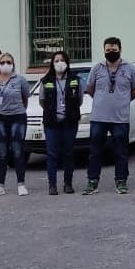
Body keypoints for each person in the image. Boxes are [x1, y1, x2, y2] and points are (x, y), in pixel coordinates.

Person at [83, 37, 135, 195]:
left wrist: (123, 100)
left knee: (121, 152)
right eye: (108, 50)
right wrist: (103, 100)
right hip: (98, 118)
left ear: (120, 50)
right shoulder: (97, 68)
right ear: (104, 50)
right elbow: (89, 89)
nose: (111, 52)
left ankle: (121, 181)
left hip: (120, 118)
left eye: (114, 50)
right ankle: (92, 182)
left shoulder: (129, 68)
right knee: (95, 152)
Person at [0, 53, 30, 197]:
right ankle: (0, 186)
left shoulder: (20, 79)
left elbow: (25, 98)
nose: (5, 64)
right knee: (2, 153)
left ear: (13, 64)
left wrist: (19, 110)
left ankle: (21, 184)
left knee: (17, 151)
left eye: (8, 62)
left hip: (17, 117)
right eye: (3, 62)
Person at [38, 51, 82, 195]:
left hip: (70, 122)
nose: (59, 62)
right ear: (52, 63)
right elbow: (42, 101)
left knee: (68, 153)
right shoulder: (46, 80)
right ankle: (52, 185)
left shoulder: (75, 79)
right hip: (52, 123)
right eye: (56, 60)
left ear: (67, 62)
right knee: (51, 154)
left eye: (62, 60)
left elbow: (79, 100)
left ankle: (68, 184)